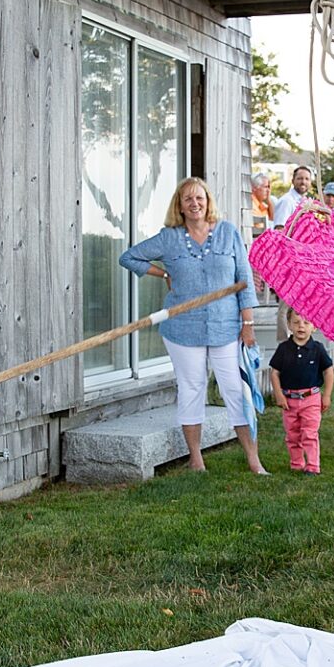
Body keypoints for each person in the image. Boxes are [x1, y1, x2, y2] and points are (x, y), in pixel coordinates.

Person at [120, 177, 268, 474]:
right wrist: (162, 275)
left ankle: (253, 459)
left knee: (235, 390)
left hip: (226, 327)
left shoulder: (228, 233)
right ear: (180, 206)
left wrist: (247, 322)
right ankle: (195, 459)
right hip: (182, 329)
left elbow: (245, 279)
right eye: (188, 199)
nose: (195, 203)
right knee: (192, 388)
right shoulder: (169, 237)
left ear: (208, 201)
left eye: (199, 197)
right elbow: (129, 257)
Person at [268, 308, 334, 473]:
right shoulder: (284, 349)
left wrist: (326, 395)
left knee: (310, 433)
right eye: (296, 322)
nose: (301, 326)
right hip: (289, 400)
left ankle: (313, 465)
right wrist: (278, 394)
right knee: (292, 434)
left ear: (314, 327)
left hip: (311, 398)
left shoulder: (317, 349)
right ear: (289, 325)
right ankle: (296, 464)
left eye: (306, 322)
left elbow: (328, 371)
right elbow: (275, 373)